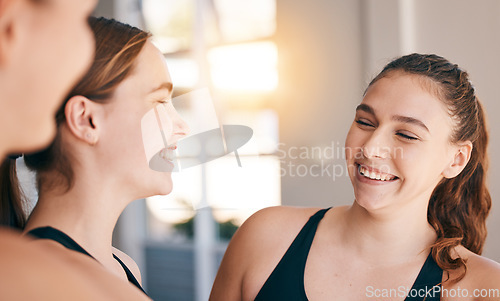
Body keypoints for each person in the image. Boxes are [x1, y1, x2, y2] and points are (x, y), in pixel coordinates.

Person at [210, 53, 500, 301]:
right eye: (365, 122)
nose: (371, 148)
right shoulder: (265, 236)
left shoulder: (485, 288)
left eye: (406, 135)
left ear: (457, 159)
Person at [7, 16, 188, 295]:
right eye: (160, 101)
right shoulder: (43, 282)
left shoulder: (123, 267)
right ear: (86, 120)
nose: (182, 127)